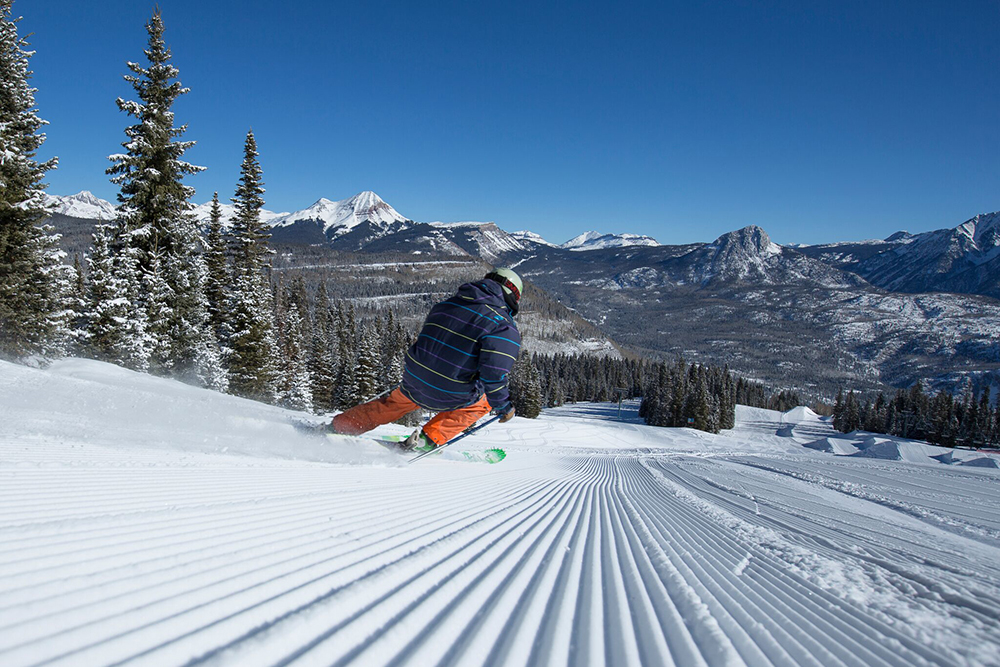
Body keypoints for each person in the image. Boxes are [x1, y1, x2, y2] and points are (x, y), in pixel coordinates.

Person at [330, 267, 523, 451]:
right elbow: (494, 375)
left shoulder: (445, 305)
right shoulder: (502, 327)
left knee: (395, 403)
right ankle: (427, 440)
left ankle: (342, 426)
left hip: (414, 379)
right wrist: (503, 406)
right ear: (513, 295)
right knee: (484, 402)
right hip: (452, 391)